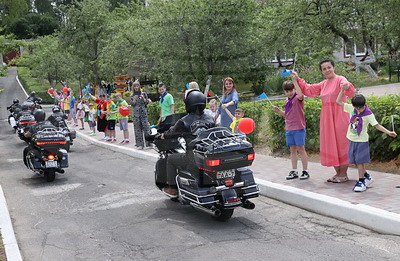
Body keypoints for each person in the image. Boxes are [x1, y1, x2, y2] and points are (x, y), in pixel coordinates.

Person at [294, 58, 356, 183]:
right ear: (322, 71)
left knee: (342, 143)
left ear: (334, 68)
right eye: (324, 69)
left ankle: (343, 173)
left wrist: (346, 86)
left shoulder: (340, 79)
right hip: (327, 118)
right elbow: (309, 89)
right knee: (330, 143)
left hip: (340, 116)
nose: (327, 70)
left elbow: (350, 90)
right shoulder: (323, 84)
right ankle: (337, 173)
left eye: (329, 67)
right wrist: (297, 78)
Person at [336, 91, 397, 192]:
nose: (359, 110)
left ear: (364, 104)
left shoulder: (368, 114)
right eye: (356, 108)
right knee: (355, 162)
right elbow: (338, 101)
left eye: (360, 108)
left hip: (362, 141)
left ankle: (361, 181)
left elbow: (377, 125)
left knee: (360, 162)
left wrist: (388, 132)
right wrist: (342, 90)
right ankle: (367, 176)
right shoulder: (352, 109)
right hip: (351, 139)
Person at [160, 89, 215, 196]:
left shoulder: (184, 121)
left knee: (171, 159)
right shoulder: (210, 119)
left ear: (189, 104)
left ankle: (172, 188)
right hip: (208, 154)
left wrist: (162, 135)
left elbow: (171, 133)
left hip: (192, 157)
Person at [272, 79, 309, 180]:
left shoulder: (298, 98)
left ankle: (305, 171)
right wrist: (278, 110)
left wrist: (295, 81)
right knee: (292, 150)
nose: (289, 93)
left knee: (301, 149)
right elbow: (287, 115)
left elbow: (301, 95)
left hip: (299, 128)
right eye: (287, 91)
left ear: (294, 89)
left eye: (291, 90)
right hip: (289, 128)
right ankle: (294, 170)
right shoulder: (287, 101)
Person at [130, 81, 151, 148]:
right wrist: (134, 99)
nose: (136, 87)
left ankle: (149, 143)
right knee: (137, 129)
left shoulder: (143, 94)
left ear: (139, 87)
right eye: (135, 86)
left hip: (143, 113)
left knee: (146, 128)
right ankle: (139, 144)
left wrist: (144, 99)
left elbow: (147, 102)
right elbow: (132, 105)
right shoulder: (132, 95)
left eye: (137, 86)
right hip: (136, 114)